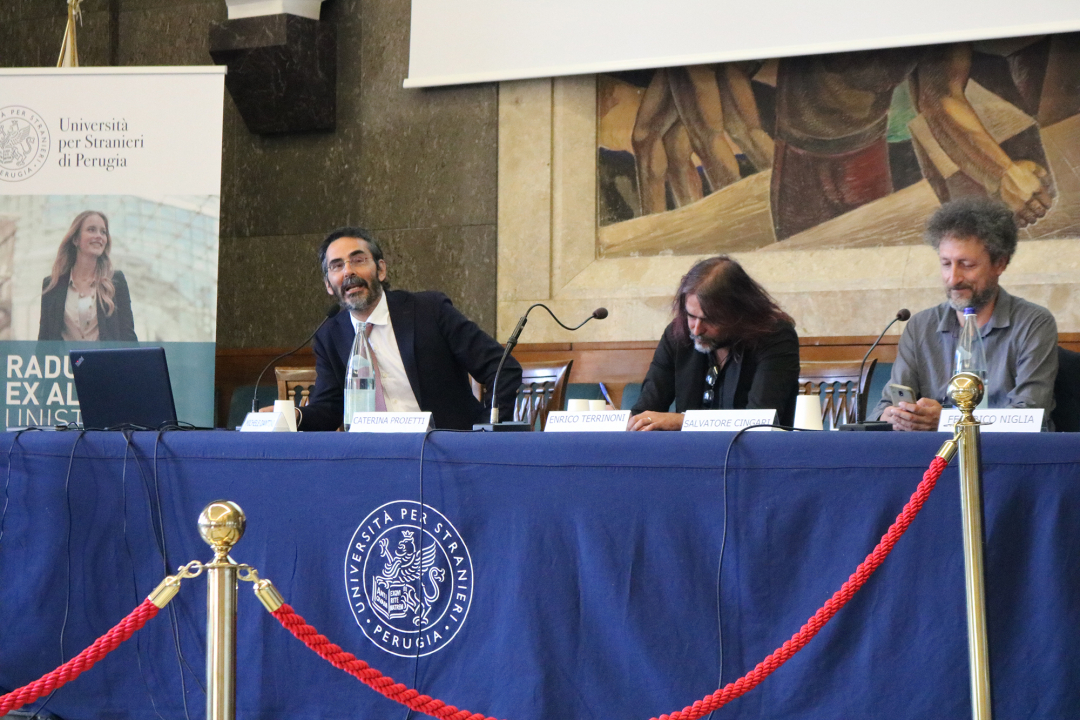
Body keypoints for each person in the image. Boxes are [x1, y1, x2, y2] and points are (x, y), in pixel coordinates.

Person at [297, 227, 522, 431]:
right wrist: (291, 416)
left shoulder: (430, 310)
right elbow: (328, 409)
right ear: (328, 284)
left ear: (381, 270)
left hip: (445, 450)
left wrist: (484, 432)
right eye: (336, 266)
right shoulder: (330, 334)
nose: (348, 271)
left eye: (358, 260)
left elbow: (501, 367)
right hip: (375, 456)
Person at [870, 197, 1058, 431]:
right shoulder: (920, 326)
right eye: (946, 264)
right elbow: (883, 408)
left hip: (1006, 458)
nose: (953, 278)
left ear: (1000, 264)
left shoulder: (1033, 323)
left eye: (967, 265)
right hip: (929, 458)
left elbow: (1030, 415)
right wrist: (894, 416)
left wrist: (947, 422)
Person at [629, 256, 800, 430]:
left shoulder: (776, 336)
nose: (696, 330)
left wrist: (681, 421)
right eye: (691, 316)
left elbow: (760, 423)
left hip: (755, 454)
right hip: (686, 454)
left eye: (709, 320)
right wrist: (619, 419)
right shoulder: (677, 334)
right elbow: (645, 411)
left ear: (739, 313)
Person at [39, 210, 137, 341]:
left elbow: (128, 336)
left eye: (103, 232)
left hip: (105, 361)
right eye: (91, 230)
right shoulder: (53, 284)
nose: (99, 236)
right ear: (75, 239)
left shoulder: (116, 281)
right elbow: (44, 341)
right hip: (66, 361)